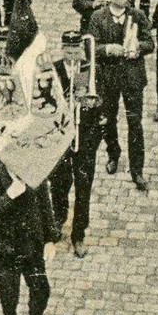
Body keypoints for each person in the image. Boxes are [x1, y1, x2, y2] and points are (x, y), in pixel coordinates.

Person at [88, 0, 154, 191]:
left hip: (133, 78)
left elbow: (150, 43)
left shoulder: (138, 16)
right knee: (109, 119)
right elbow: (91, 47)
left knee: (135, 124)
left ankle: (137, 170)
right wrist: (107, 49)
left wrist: (138, 46)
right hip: (108, 79)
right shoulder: (98, 17)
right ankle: (113, 153)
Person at [0, 160, 57, 315]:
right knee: (8, 297)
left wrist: (50, 239)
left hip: (31, 246)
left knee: (41, 288)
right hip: (7, 248)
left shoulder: (35, 172)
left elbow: (45, 206)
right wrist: (10, 194)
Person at [49, 30, 103, 257]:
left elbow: (103, 103)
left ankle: (78, 234)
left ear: (82, 50)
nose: (72, 56)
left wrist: (90, 102)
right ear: (63, 50)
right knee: (59, 184)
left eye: (76, 51)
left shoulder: (91, 70)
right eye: (68, 51)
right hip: (61, 138)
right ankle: (58, 221)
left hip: (85, 137)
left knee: (83, 187)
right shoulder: (53, 70)